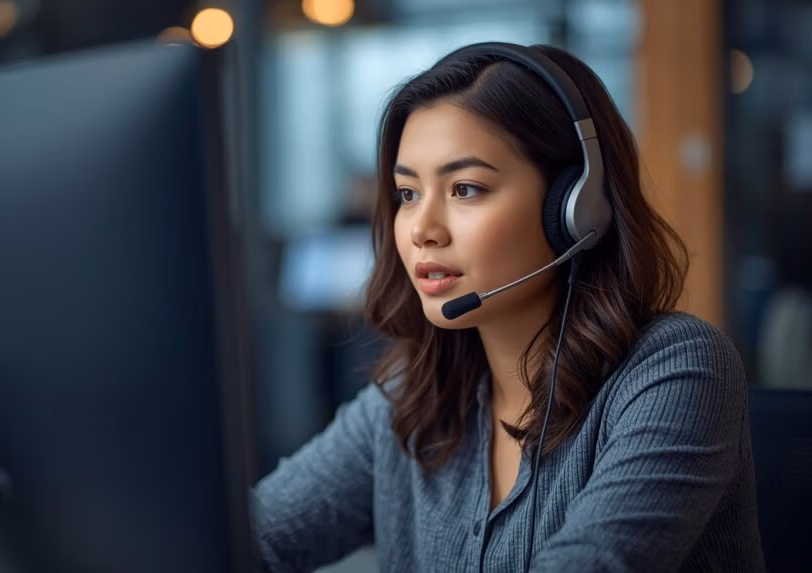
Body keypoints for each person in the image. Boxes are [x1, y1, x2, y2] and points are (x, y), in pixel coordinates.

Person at [252, 42, 765, 572]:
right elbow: (252, 539)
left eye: (465, 188)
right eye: (407, 194)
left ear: (574, 208)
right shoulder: (413, 396)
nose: (423, 230)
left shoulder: (677, 370)